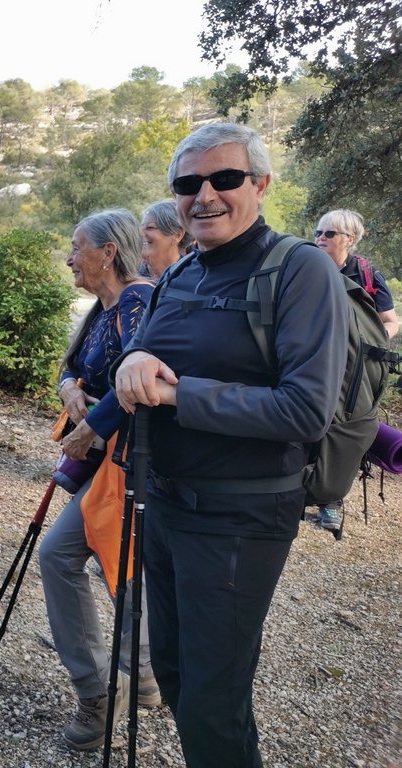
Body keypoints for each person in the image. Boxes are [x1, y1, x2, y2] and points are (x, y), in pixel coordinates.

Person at [113, 124, 348, 768]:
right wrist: (131, 366)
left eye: (225, 179)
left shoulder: (299, 271)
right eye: (189, 185)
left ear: (261, 185)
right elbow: (149, 354)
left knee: (213, 698)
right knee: (177, 672)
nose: (205, 195)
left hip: (239, 518)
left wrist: (176, 394)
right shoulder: (182, 271)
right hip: (163, 505)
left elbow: (306, 409)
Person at [40, 208, 158, 752]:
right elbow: (74, 367)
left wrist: (91, 428)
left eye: (76, 246)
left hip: (133, 463)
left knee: (85, 560)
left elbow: (140, 380)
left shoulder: (140, 302)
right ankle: (140, 676)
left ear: (108, 252)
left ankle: (104, 691)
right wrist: (69, 390)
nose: (69, 257)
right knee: (114, 560)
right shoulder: (103, 307)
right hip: (110, 464)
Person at [313, 209, 399, 531]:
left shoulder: (365, 274)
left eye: (329, 234)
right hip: (314, 359)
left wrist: (362, 341)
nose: (320, 238)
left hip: (355, 366)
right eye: (318, 232)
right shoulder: (309, 266)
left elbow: (391, 321)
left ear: (349, 239)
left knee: (344, 424)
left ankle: (331, 496)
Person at [140, 199, 192, 279]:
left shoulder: (192, 278)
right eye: (141, 227)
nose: (140, 233)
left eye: (150, 227)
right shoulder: (129, 278)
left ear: (178, 235)